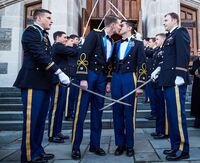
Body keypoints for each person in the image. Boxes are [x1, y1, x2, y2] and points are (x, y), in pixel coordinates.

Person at [13, 9, 70, 163]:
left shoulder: (43, 34)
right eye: (48, 18)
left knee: (39, 121)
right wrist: (58, 71)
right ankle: (29, 156)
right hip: (33, 81)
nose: (51, 21)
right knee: (31, 121)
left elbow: (47, 55)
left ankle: (37, 151)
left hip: (44, 82)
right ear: (38, 18)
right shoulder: (31, 32)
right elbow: (39, 55)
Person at [71, 15, 122, 160]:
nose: (120, 27)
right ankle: (76, 147)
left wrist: (108, 81)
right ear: (112, 25)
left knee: (97, 113)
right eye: (119, 24)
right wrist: (82, 78)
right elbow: (83, 55)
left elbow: (110, 63)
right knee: (80, 113)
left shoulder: (113, 40)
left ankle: (95, 144)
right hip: (89, 76)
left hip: (101, 78)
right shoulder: (94, 34)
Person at [151, 12, 190, 161]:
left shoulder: (180, 32)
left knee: (178, 116)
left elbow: (183, 53)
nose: (164, 23)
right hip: (167, 81)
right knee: (172, 116)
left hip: (175, 81)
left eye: (166, 20)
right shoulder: (169, 36)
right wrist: (159, 69)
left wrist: (180, 74)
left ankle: (182, 149)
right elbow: (168, 58)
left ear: (174, 20)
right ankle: (175, 146)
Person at [111, 20, 146, 157]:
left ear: (129, 28)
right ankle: (120, 144)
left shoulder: (137, 44)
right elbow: (111, 64)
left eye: (122, 25)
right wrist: (109, 81)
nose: (119, 27)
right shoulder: (116, 44)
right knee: (117, 111)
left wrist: (141, 85)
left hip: (129, 78)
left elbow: (142, 64)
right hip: (116, 78)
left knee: (129, 112)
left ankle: (130, 145)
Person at [48, 31, 78, 143]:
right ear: (57, 38)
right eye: (65, 37)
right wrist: (73, 45)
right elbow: (75, 53)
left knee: (60, 109)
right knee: (55, 108)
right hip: (57, 81)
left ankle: (57, 131)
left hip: (62, 82)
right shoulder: (58, 47)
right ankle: (52, 134)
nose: (66, 39)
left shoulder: (61, 47)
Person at [149, 33, 168, 139]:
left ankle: (164, 131)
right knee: (157, 108)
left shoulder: (165, 50)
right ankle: (158, 130)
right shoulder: (157, 50)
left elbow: (163, 64)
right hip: (155, 83)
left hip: (161, 83)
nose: (156, 41)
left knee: (162, 109)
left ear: (163, 39)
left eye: (157, 39)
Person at [65, 34, 81, 121]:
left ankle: (72, 112)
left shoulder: (75, 48)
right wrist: (78, 46)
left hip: (75, 74)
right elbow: (76, 52)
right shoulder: (68, 49)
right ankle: (68, 114)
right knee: (69, 96)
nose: (77, 41)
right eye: (76, 39)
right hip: (70, 74)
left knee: (74, 95)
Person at [189, 49, 200, 128]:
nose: (199, 52)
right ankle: (197, 123)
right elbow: (192, 70)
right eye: (198, 51)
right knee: (197, 103)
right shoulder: (196, 61)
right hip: (196, 84)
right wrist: (193, 71)